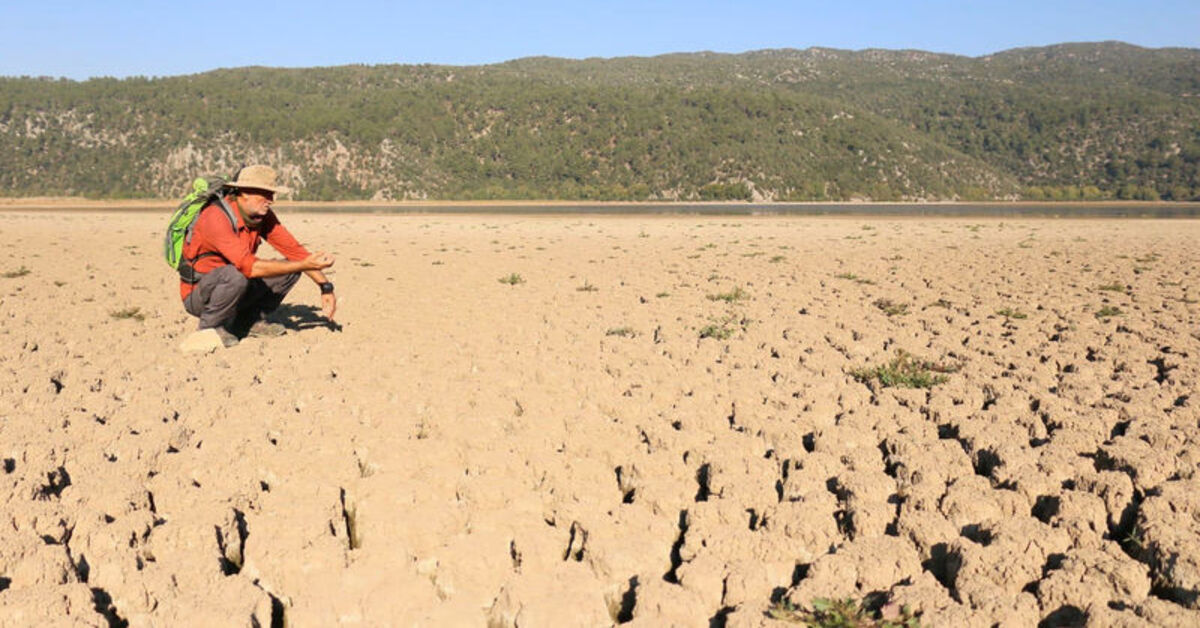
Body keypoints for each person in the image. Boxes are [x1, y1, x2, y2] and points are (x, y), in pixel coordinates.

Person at [179, 165, 336, 347]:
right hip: (200, 294)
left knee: (291, 269)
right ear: (244, 193)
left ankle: (248, 321)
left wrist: (325, 287)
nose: (271, 200)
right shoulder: (214, 217)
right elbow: (249, 267)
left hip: (236, 284)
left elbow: (295, 251)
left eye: (272, 194)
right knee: (236, 275)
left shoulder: (262, 216)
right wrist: (304, 264)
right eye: (265, 194)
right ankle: (209, 328)